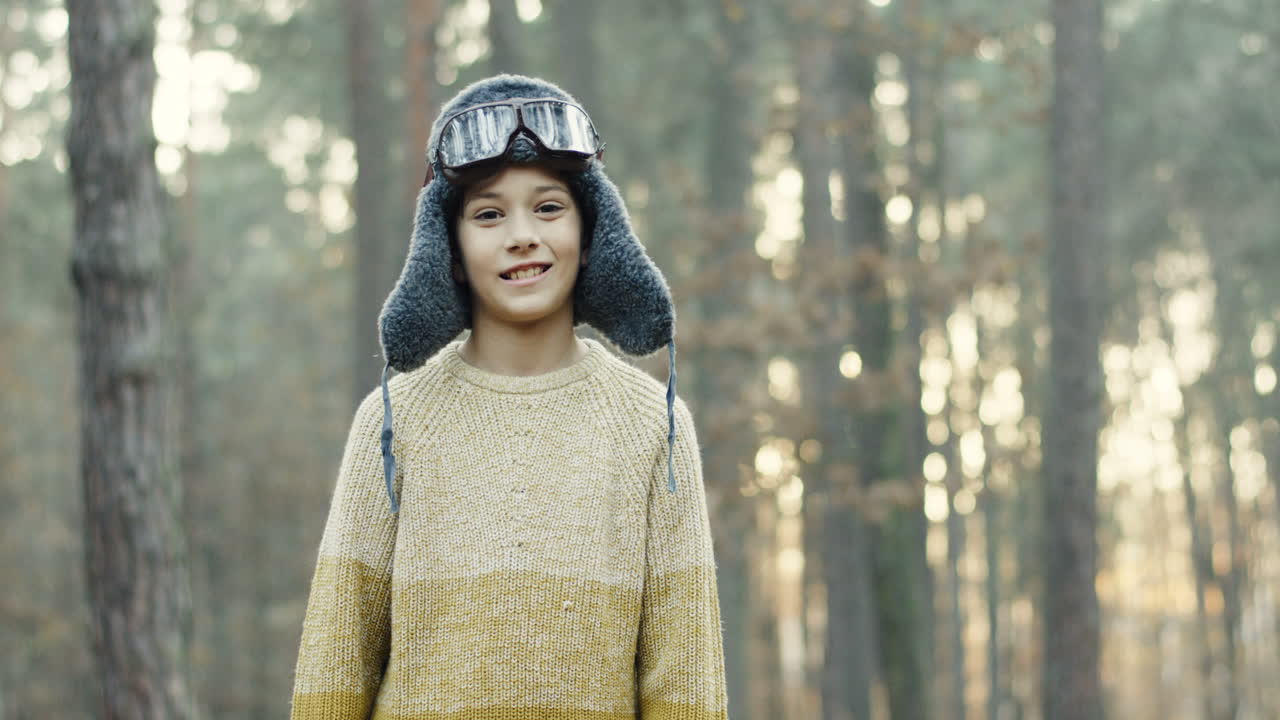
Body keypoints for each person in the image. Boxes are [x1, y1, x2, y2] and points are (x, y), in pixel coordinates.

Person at [289, 74, 728, 720]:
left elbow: (685, 674)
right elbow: (336, 661)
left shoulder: (651, 424)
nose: (522, 235)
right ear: (452, 250)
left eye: (548, 207)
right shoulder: (394, 419)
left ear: (591, 232)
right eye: (489, 214)